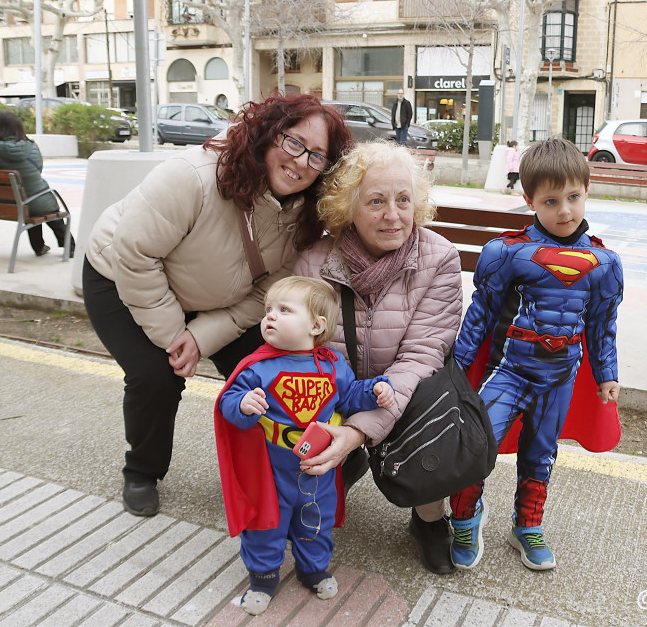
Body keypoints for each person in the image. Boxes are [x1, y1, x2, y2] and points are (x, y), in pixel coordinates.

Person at [82, 94, 353, 517]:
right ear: (268, 134)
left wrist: (202, 335)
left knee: (272, 367)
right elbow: (135, 254)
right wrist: (176, 336)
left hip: (217, 300)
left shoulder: (303, 213)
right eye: (294, 142)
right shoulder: (191, 176)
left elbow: (269, 292)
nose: (301, 162)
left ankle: (284, 468)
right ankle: (142, 471)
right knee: (157, 375)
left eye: (317, 156)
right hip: (121, 276)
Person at [447, 136, 624, 572]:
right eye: (550, 201)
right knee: (474, 444)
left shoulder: (604, 262)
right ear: (529, 200)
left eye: (573, 197)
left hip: (559, 378)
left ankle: (527, 525)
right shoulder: (505, 252)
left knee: (541, 454)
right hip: (508, 371)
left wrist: (607, 373)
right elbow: (480, 315)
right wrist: (457, 367)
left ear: (587, 191)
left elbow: (602, 325)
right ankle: (465, 519)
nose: (564, 211)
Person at [293, 141, 463, 575]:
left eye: (403, 200)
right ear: (348, 208)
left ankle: (428, 517)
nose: (393, 215)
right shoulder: (315, 262)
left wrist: (357, 431)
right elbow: (305, 349)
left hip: (405, 390)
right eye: (376, 201)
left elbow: (421, 357)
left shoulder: (439, 258)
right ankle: (320, 485)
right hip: (338, 390)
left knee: (432, 401)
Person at [215, 276, 394, 616]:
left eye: (284, 310)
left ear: (316, 326)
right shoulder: (258, 367)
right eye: (268, 309)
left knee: (316, 521)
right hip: (270, 471)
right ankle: (262, 578)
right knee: (264, 525)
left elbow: (349, 396)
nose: (271, 315)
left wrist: (375, 390)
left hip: (317, 469)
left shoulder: (333, 365)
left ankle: (313, 570)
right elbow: (229, 400)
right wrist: (242, 404)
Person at [0, 110, 74, 257]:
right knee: (40, 201)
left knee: (27, 202)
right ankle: (69, 245)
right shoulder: (32, 147)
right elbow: (38, 170)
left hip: (5, 204)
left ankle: (39, 246)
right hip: (35, 203)